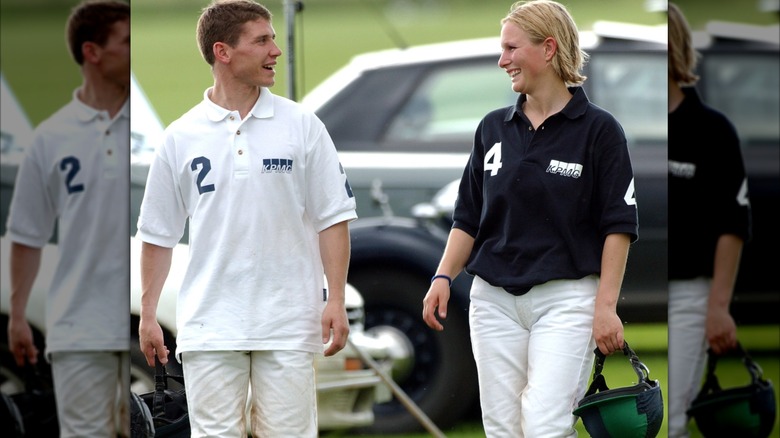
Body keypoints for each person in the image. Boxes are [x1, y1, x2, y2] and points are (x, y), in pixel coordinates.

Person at [135, 0, 357, 436]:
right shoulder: (180, 136)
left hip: (289, 322)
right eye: (262, 40)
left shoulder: (303, 125)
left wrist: (335, 300)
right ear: (223, 52)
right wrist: (147, 314)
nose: (275, 50)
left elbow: (334, 218)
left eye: (274, 38)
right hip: (209, 325)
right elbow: (157, 234)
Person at [421, 1, 638, 436]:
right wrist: (442, 278)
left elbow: (619, 225)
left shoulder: (600, 130)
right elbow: (468, 217)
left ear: (548, 49)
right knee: (502, 427)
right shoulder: (492, 128)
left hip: (567, 301)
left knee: (544, 424)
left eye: (511, 48)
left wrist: (606, 308)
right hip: (493, 302)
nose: (502, 61)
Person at [5, 1, 131, 436]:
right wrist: (18, 315)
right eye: (128, 42)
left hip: (144, 322)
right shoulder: (51, 137)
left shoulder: (166, 132)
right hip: (79, 327)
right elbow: (27, 233)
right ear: (93, 52)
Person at [667, 3, 752, 437]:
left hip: (688, 293)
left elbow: (732, 225)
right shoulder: (618, 127)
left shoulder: (713, 130)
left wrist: (718, 307)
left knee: (674, 420)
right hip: (611, 294)